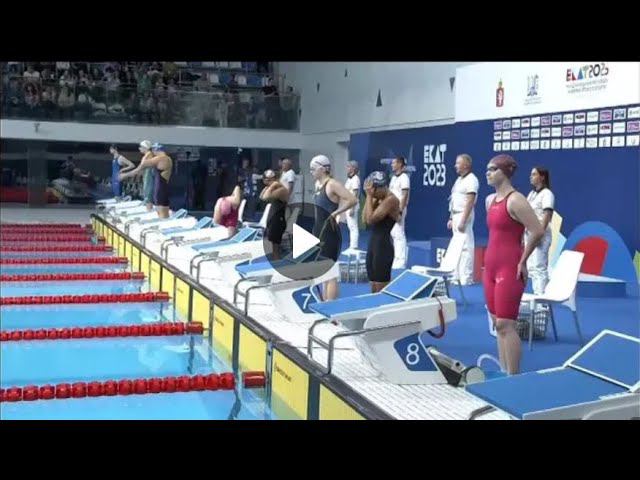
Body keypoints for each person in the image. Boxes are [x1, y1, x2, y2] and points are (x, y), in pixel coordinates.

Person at [484, 154, 544, 375]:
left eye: (493, 169)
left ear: (505, 172)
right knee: (496, 323)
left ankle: (513, 377)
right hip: (490, 267)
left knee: (506, 324)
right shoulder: (490, 201)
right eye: (487, 169)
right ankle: (503, 373)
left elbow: (537, 231)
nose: (488, 173)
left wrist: (523, 260)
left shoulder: (516, 200)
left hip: (509, 267)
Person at [310, 155, 357, 301]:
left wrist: (337, 213)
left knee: (330, 273)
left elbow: (352, 199)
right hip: (319, 230)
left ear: (322, 169)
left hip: (329, 233)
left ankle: (330, 306)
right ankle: (325, 303)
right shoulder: (318, 185)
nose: (311, 172)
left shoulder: (332, 184)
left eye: (313, 169)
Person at [363, 171, 401, 293]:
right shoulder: (378, 199)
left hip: (383, 248)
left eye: (374, 191)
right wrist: (371, 198)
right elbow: (364, 219)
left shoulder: (391, 200)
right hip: (373, 245)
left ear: (382, 187)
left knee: (381, 287)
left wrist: (369, 197)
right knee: (373, 284)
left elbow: (371, 219)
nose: (373, 193)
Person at [447, 154, 480, 285]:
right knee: (457, 246)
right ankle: (456, 276)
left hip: (464, 214)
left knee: (466, 246)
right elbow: (453, 199)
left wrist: (463, 220)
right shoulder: (459, 180)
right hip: (455, 214)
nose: (455, 165)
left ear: (466, 165)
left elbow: (470, 201)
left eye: (458, 163)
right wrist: (451, 217)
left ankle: (466, 277)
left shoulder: (472, 180)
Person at [120, 142, 173, 218]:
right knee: (164, 213)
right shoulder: (168, 159)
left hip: (160, 190)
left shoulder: (160, 159)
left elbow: (140, 167)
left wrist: (124, 175)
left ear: (156, 150)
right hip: (164, 188)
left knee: (162, 215)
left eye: (153, 151)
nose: (153, 153)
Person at [526, 166, 555, 295]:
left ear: (542, 177)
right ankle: (537, 295)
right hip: (529, 233)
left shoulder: (547, 194)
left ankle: (542, 299)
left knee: (539, 266)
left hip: (540, 234)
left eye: (534, 174)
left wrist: (539, 234)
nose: (531, 177)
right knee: (532, 267)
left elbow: (547, 215)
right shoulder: (532, 194)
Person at [259, 169, 289, 260]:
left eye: (269, 180)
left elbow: (265, 197)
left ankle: (277, 262)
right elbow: (261, 196)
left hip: (278, 220)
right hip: (274, 218)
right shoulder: (274, 188)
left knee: (275, 246)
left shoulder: (281, 190)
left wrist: (272, 185)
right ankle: (275, 260)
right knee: (273, 245)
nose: (267, 182)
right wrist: (268, 187)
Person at [389, 156, 410, 269]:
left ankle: (401, 261)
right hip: (391, 208)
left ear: (400, 164)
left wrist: (400, 211)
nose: (392, 165)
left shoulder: (404, 178)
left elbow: (404, 196)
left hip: (399, 209)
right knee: (393, 233)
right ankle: (396, 258)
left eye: (394, 163)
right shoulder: (393, 178)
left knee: (399, 233)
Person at [344, 161, 361, 250]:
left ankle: (354, 246)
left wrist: (352, 208)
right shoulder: (349, 179)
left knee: (353, 226)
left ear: (353, 168)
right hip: (348, 204)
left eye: (348, 167)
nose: (347, 168)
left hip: (352, 205)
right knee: (350, 226)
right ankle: (352, 245)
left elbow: (355, 194)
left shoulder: (355, 179)